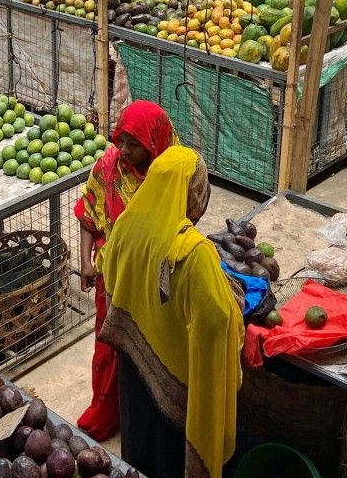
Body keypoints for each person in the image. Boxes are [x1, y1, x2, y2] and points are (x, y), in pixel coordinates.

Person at [99, 146, 243, 478]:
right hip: (175, 387)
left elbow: (112, 274)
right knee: (167, 459)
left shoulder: (124, 226)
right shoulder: (194, 254)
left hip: (133, 367)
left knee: (138, 446)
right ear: (194, 194)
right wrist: (231, 298)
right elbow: (217, 320)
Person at [73, 100, 178, 441]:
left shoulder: (172, 176)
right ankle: (105, 413)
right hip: (111, 281)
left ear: (155, 142)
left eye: (135, 143)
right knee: (109, 348)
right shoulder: (107, 168)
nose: (124, 149)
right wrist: (87, 262)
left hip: (152, 284)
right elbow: (89, 215)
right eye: (122, 139)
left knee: (148, 355)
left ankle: (142, 417)